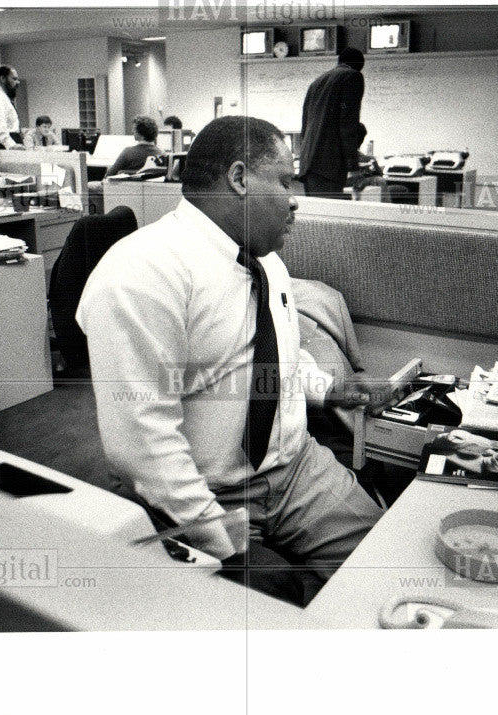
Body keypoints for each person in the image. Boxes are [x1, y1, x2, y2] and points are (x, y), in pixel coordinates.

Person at [78, 116, 386, 605]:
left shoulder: (266, 262)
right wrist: (221, 541)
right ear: (240, 179)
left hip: (296, 467)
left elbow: (277, 353)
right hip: (206, 493)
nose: (294, 199)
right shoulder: (141, 274)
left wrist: (330, 389)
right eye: (285, 180)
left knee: (389, 576)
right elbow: (140, 443)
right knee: (263, 605)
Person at [299, 47, 366, 199]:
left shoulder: (317, 82)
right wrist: (354, 168)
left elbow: (305, 125)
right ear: (359, 65)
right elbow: (347, 124)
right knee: (329, 216)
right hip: (328, 165)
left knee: (317, 217)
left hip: (308, 163)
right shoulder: (352, 76)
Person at [429, 429, 498, 475]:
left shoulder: (481, 463)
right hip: (439, 445)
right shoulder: (483, 450)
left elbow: (443, 449)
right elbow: (443, 441)